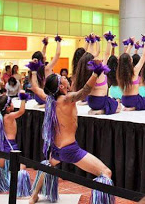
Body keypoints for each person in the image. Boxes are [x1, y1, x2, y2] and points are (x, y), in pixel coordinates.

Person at [29, 62, 114, 204]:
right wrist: (95, 72)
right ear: (61, 87)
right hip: (70, 149)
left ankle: (34, 196)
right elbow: (84, 92)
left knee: (49, 165)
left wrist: (33, 73)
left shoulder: (50, 99)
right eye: (63, 79)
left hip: (57, 149)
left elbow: (37, 89)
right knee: (106, 172)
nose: (65, 78)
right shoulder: (67, 99)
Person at [0, 93, 31, 195]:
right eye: (12, 103)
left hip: (2, 145)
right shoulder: (9, 116)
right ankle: (16, 187)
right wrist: (23, 99)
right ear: (8, 107)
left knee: (0, 167)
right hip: (11, 146)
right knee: (21, 167)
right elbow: (22, 111)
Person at [117, 35, 145, 110]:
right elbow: (144, 56)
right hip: (134, 100)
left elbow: (124, 58)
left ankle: (130, 107)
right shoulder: (134, 71)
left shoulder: (120, 72)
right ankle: (133, 107)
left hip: (124, 100)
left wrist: (130, 45)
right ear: (130, 61)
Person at [30, 36, 63, 106]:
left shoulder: (34, 70)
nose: (45, 56)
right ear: (42, 59)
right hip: (46, 97)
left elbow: (42, 54)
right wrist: (58, 41)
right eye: (44, 56)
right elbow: (57, 54)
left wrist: (45, 45)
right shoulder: (47, 68)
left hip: (37, 96)